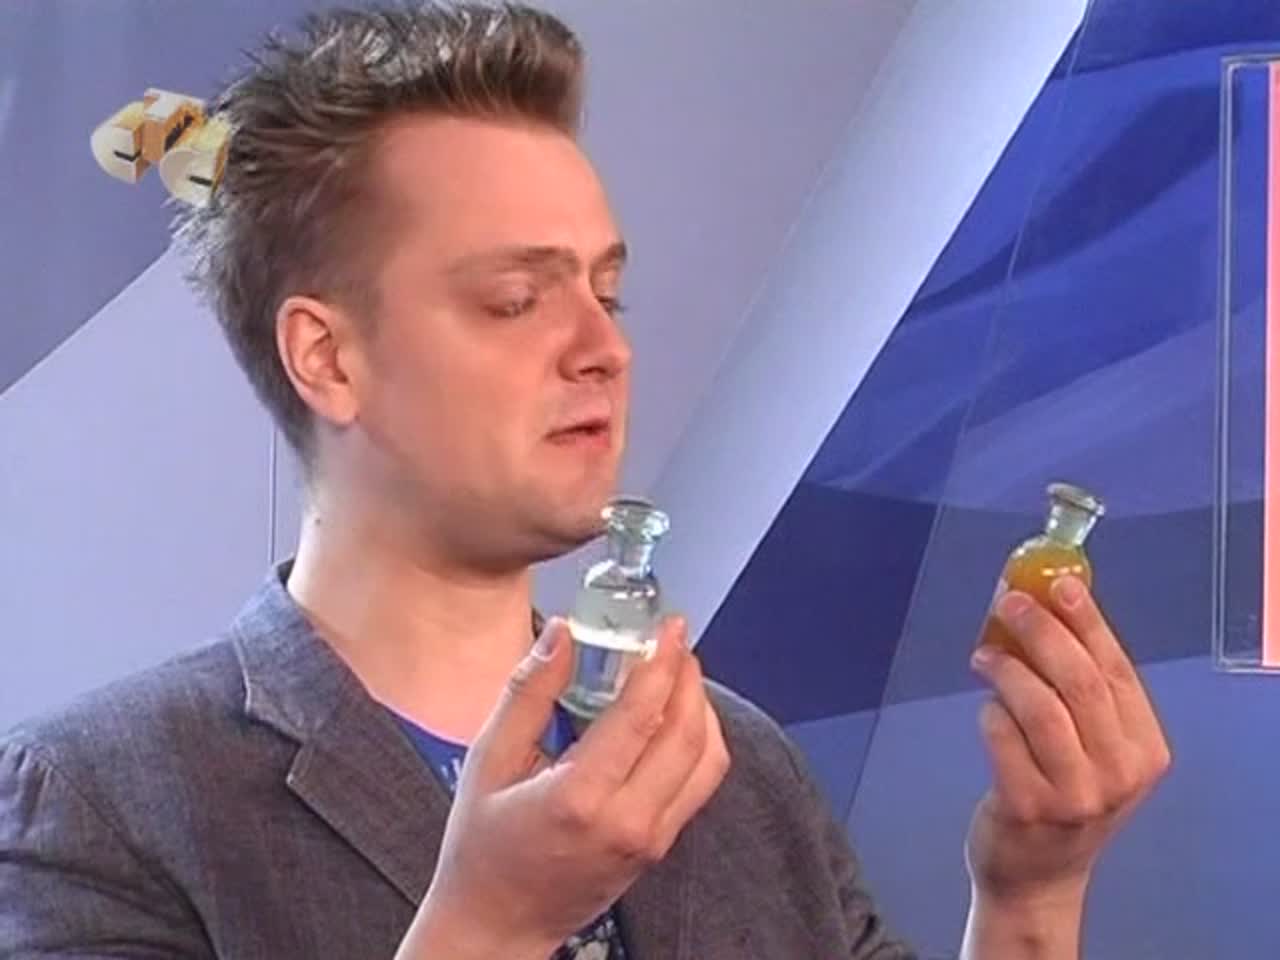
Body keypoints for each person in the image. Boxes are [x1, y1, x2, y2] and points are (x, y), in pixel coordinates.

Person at [0, 4, 1171, 958]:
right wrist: (488, 931)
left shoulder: (737, 766)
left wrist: (1030, 897)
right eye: (515, 300)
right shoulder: (100, 800)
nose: (601, 347)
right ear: (328, 357)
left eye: (606, 294)